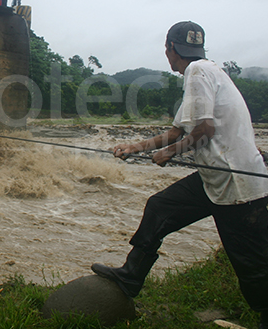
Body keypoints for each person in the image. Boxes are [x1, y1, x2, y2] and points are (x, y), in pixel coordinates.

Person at [91, 21, 268, 329]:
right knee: (161, 207)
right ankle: (132, 276)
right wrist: (136, 147)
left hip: (237, 184)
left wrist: (171, 153)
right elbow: (178, 131)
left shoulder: (197, 73)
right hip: (215, 178)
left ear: (170, 49)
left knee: (252, 266)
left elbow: (204, 131)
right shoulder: (207, 71)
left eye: (167, 50)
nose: (168, 55)